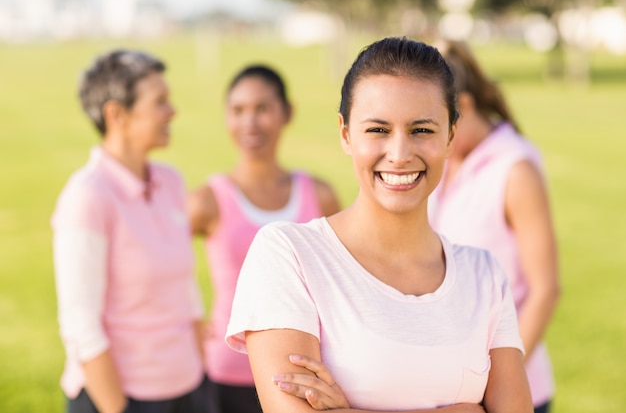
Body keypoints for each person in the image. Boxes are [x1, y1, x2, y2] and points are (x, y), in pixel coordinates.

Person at [224, 37, 533, 413]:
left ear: (451, 135)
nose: (400, 154)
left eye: (421, 130)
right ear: (345, 134)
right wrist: (467, 410)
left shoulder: (484, 275)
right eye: (378, 130)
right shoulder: (289, 255)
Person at [51, 50, 215, 413]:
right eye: (160, 102)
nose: (172, 111)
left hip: (189, 388)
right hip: (122, 398)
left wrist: (202, 379)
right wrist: (116, 407)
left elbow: (185, 293)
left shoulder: (171, 182)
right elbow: (81, 326)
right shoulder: (87, 196)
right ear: (117, 114)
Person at [187, 64, 341, 413]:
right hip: (225, 375)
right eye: (238, 110)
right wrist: (191, 322)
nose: (250, 123)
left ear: (287, 113)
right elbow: (162, 266)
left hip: (302, 378)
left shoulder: (319, 195)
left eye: (263, 108)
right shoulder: (208, 200)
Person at [426, 39, 560, 413]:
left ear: (463, 108)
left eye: (433, 122)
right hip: (453, 390)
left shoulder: (515, 170)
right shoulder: (445, 165)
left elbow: (545, 290)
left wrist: (498, 385)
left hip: (510, 394)